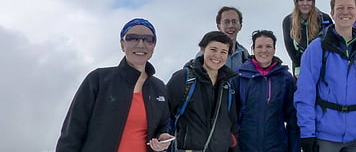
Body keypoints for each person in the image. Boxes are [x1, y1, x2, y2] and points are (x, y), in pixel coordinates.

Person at [56, 18, 173, 152]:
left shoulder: (159, 88)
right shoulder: (98, 80)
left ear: (153, 46)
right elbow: (72, 131)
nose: (141, 44)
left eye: (148, 39)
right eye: (132, 38)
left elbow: (161, 127)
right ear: (122, 45)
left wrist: (161, 139)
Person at [295, 0, 356, 152]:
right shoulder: (317, 48)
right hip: (325, 135)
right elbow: (305, 94)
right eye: (340, 8)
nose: (345, 12)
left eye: (350, 7)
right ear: (332, 13)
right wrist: (307, 134)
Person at [167, 31, 239, 151]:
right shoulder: (184, 78)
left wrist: (232, 143)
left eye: (223, 52)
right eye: (213, 50)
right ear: (202, 49)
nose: (217, 56)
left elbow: (232, 124)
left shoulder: (228, 85)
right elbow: (163, 113)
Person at [234, 30, 300, 152]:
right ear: (253, 49)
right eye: (259, 46)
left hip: (276, 145)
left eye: (268, 46)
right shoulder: (240, 77)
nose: (264, 50)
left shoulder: (285, 78)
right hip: (245, 145)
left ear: (274, 49)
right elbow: (231, 115)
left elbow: (292, 117)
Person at [282, 0, 333, 77]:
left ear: (313, 2)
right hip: (299, 62)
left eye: (308, 0)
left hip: (321, 62)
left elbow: (331, 42)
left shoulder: (324, 18)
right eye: (301, 0)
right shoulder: (288, 21)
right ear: (296, 2)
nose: (305, 3)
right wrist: (297, 65)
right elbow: (289, 45)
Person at [214, 6, 251, 70]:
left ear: (240, 26)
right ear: (218, 26)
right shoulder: (208, 52)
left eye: (234, 22)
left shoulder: (244, 54)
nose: (231, 26)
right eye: (226, 22)